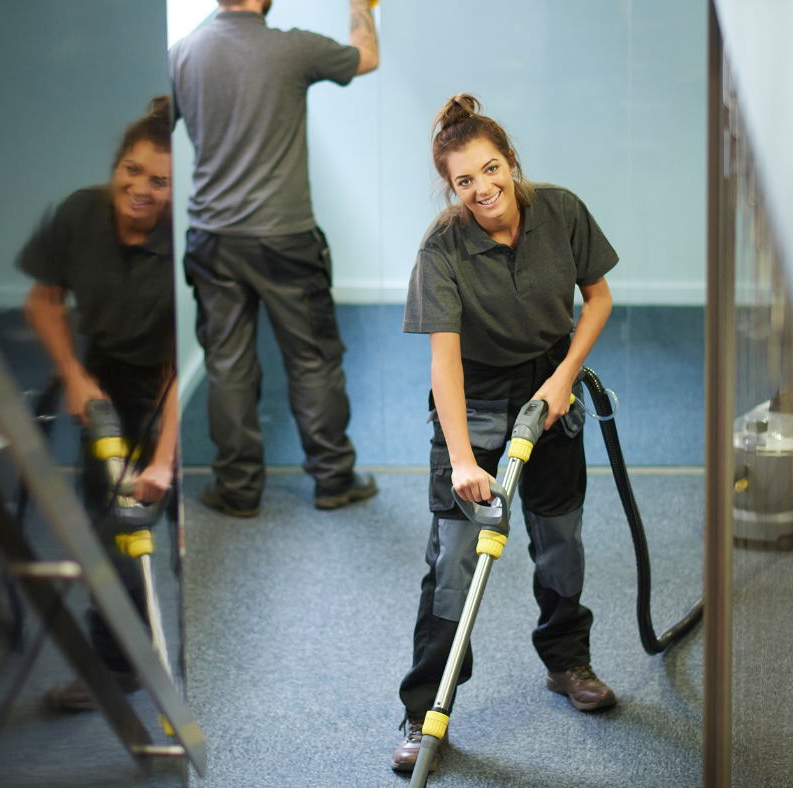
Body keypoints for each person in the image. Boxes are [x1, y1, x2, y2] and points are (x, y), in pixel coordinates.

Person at [392, 94, 619, 773]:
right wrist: (462, 458)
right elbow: (444, 363)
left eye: (492, 170)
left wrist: (563, 379)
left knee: (561, 541)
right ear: (451, 187)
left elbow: (598, 296)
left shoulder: (561, 210)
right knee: (456, 560)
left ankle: (566, 662)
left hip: (552, 386)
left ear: (511, 161)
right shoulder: (442, 246)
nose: (484, 190)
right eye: (466, 181)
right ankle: (423, 707)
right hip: (478, 395)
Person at [168, 0, 380, 517]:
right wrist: (362, 7)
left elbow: (151, 130)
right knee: (313, 359)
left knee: (227, 365)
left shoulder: (182, 54)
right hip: (286, 240)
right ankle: (333, 479)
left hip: (212, 238)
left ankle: (238, 489)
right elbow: (366, 56)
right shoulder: (293, 46)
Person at [18, 96, 177, 709]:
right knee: (108, 531)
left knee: (159, 519)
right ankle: (116, 668)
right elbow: (44, 300)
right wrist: (75, 377)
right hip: (104, 375)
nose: (139, 188)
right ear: (116, 166)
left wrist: (163, 462)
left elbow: (182, 360)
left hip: (167, 384)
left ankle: (189, 667)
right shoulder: (81, 214)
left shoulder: (180, 239)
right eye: (130, 170)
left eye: (158, 181)